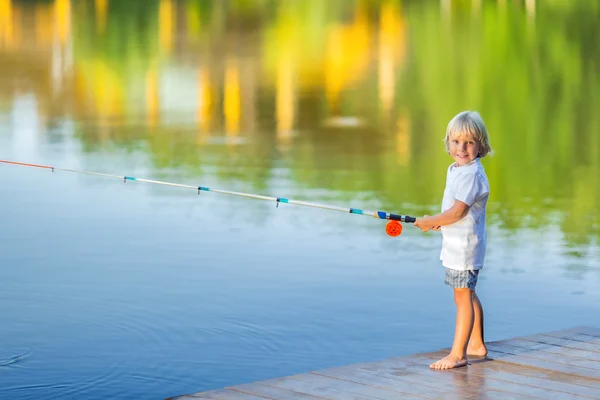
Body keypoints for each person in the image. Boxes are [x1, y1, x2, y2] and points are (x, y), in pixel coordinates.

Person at [414, 110, 492, 370]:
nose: (462, 148)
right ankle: (476, 344)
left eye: (469, 142)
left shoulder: (471, 175)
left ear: (480, 145)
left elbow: (458, 211)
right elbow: (454, 211)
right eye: (457, 142)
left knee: (462, 297)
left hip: (464, 248)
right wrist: (439, 221)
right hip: (458, 244)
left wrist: (432, 219)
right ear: (448, 143)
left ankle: (458, 354)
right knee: (467, 294)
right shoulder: (458, 169)